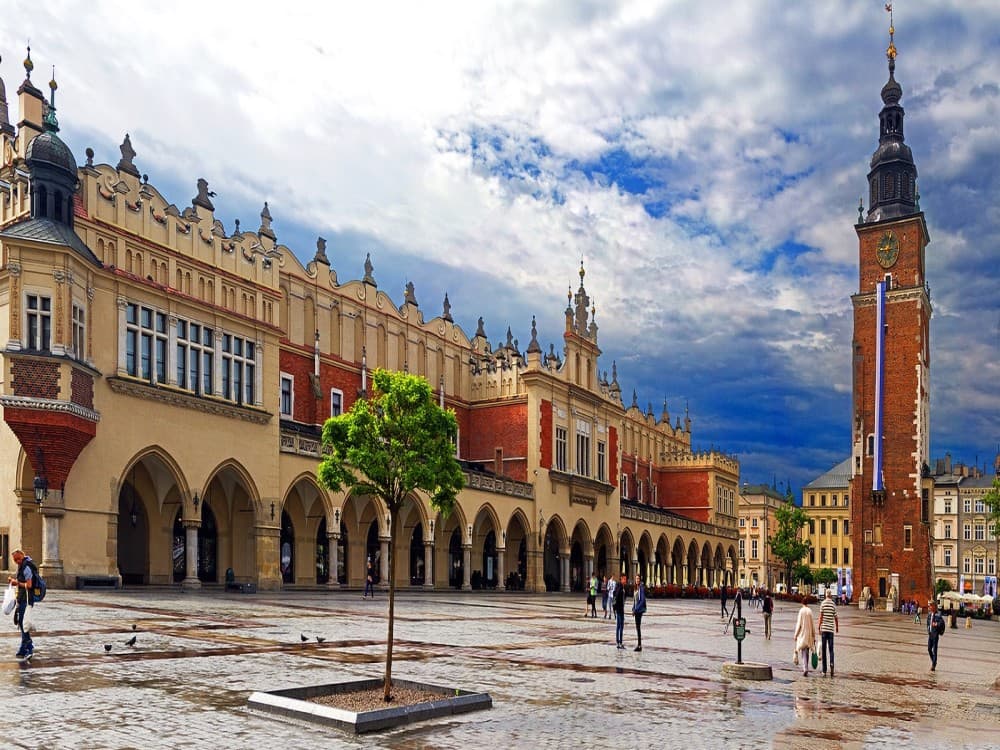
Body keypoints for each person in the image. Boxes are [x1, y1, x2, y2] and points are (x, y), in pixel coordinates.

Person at [8, 549, 36, 660]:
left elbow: (29, 585)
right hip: (21, 598)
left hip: (26, 599)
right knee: (20, 622)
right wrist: (14, 581)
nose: (17, 561)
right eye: (15, 560)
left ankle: (29, 647)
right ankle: (23, 648)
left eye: (18, 559)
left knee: (23, 623)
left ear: (22, 556)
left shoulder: (26, 567)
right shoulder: (22, 566)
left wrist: (16, 583)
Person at [818, 590, 839, 676]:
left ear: (825, 595)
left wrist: (819, 626)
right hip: (830, 630)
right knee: (831, 649)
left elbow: (821, 617)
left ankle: (824, 670)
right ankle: (832, 663)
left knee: (823, 650)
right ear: (831, 595)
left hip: (824, 629)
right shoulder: (833, 604)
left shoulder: (823, 604)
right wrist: (837, 627)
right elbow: (836, 617)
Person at [793, 599, 816, 677]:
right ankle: (806, 667)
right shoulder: (810, 611)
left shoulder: (801, 611)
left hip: (802, 634)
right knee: (807, 651)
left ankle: (805, 668)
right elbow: (813, 624)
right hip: (809, 634)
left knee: (803, 652)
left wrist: (796, 635)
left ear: (802, 603)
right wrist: (814, 635)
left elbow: (799, 624)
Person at [927, 600, 945, 671]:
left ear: (934, 606)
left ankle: (933, 665)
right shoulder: (929, 614)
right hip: (930, 634)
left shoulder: (938, 614)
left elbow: (941, 623)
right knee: (929, 649)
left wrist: (936, 624)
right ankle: (934, 661)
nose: (929, 607)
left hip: (935, 635)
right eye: (929, 606)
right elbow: (928, 623)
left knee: (934, 650)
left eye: (930, 606)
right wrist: (928, 630)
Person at [631, 574, 647, 651]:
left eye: (638, 579)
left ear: (640, 580)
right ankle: (639, 644)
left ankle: (639, 645)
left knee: (638, 627)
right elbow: (634, 600)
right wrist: (633, 608)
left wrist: (636, 609)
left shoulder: (641, 588)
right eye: (636, 578)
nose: (637, 580)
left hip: (639, 611)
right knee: (637, 627)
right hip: (636, 610)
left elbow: (642, 600)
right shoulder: (636, 588)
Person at [612, 573, 627, 649]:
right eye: (624, 579)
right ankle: (619, 642)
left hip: (621, 609)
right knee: (619, 626)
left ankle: (619, 642)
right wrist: (616, 608)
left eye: (625, 579)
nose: (625, 580)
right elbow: (616, 596)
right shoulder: (620, 586)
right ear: (621, 578)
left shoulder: (623, 587)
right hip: (619, 609)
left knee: (620, 626)